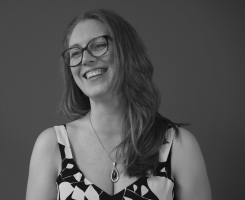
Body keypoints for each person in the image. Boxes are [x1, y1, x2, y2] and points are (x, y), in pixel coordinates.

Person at [26, 9, 212, 200]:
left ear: (127, 52)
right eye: (75, 53)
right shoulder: (52, 146)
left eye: (98, 45)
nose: (86, 59)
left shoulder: (178, 146)